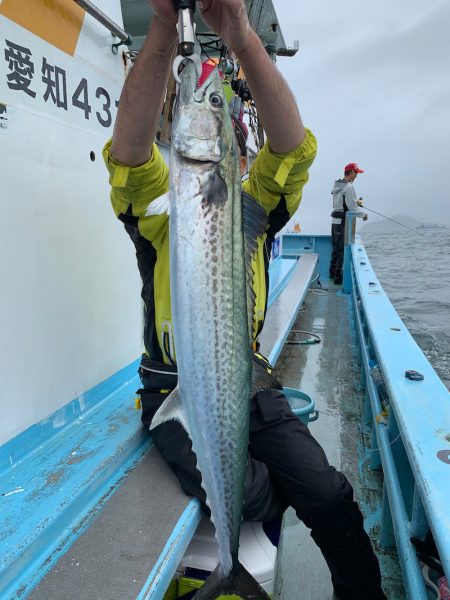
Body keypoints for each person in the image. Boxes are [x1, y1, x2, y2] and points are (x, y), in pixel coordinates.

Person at [102, 1, 386, 598]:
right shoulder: (164, 213)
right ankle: (234, 562)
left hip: (249, 384)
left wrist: (240, 34)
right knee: (255, 493)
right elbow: (128, 154)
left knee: (330, 494)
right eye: (203, 111)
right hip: (174, 388)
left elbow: (295, 148)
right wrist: (160, 26)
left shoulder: (251, 216)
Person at [329, 162, 368, 284]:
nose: (357, 175)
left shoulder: (337, 185)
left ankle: (331, 274)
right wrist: (364, 214)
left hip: (335, 222)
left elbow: (344, 203)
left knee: (336, 248)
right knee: (341, 250)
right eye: (356, 173)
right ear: (351, 172)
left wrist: (355, 202)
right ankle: (337, 278)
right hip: (343, 222)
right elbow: (352, 209)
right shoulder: (349, 187)